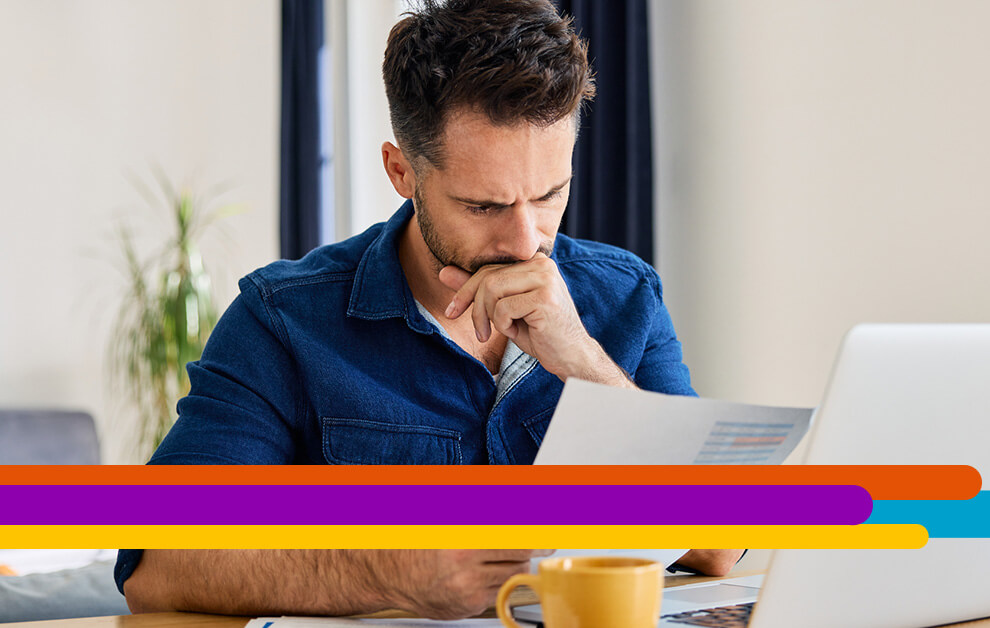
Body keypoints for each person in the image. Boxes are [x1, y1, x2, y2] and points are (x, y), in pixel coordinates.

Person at [118, 0, 741, 619]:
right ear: (401, 172)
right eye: (483, 206)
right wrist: (385, 572)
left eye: (550, 194)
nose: (525, 241)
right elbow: (159, 565)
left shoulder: (625, 295)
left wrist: (584, 363)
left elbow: (720, 544)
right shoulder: (284, 319)